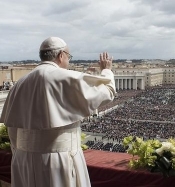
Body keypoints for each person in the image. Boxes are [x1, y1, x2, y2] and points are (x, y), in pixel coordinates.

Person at [0, 37, 116, 187]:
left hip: (23, 161)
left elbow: (13, 130)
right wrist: (106, 70)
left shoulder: (19, 84)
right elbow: (107, 92)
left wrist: (23, 154)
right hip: (58, 161)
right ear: (61, 55)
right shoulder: (65, 77)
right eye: (69, 57)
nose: (68, 61)